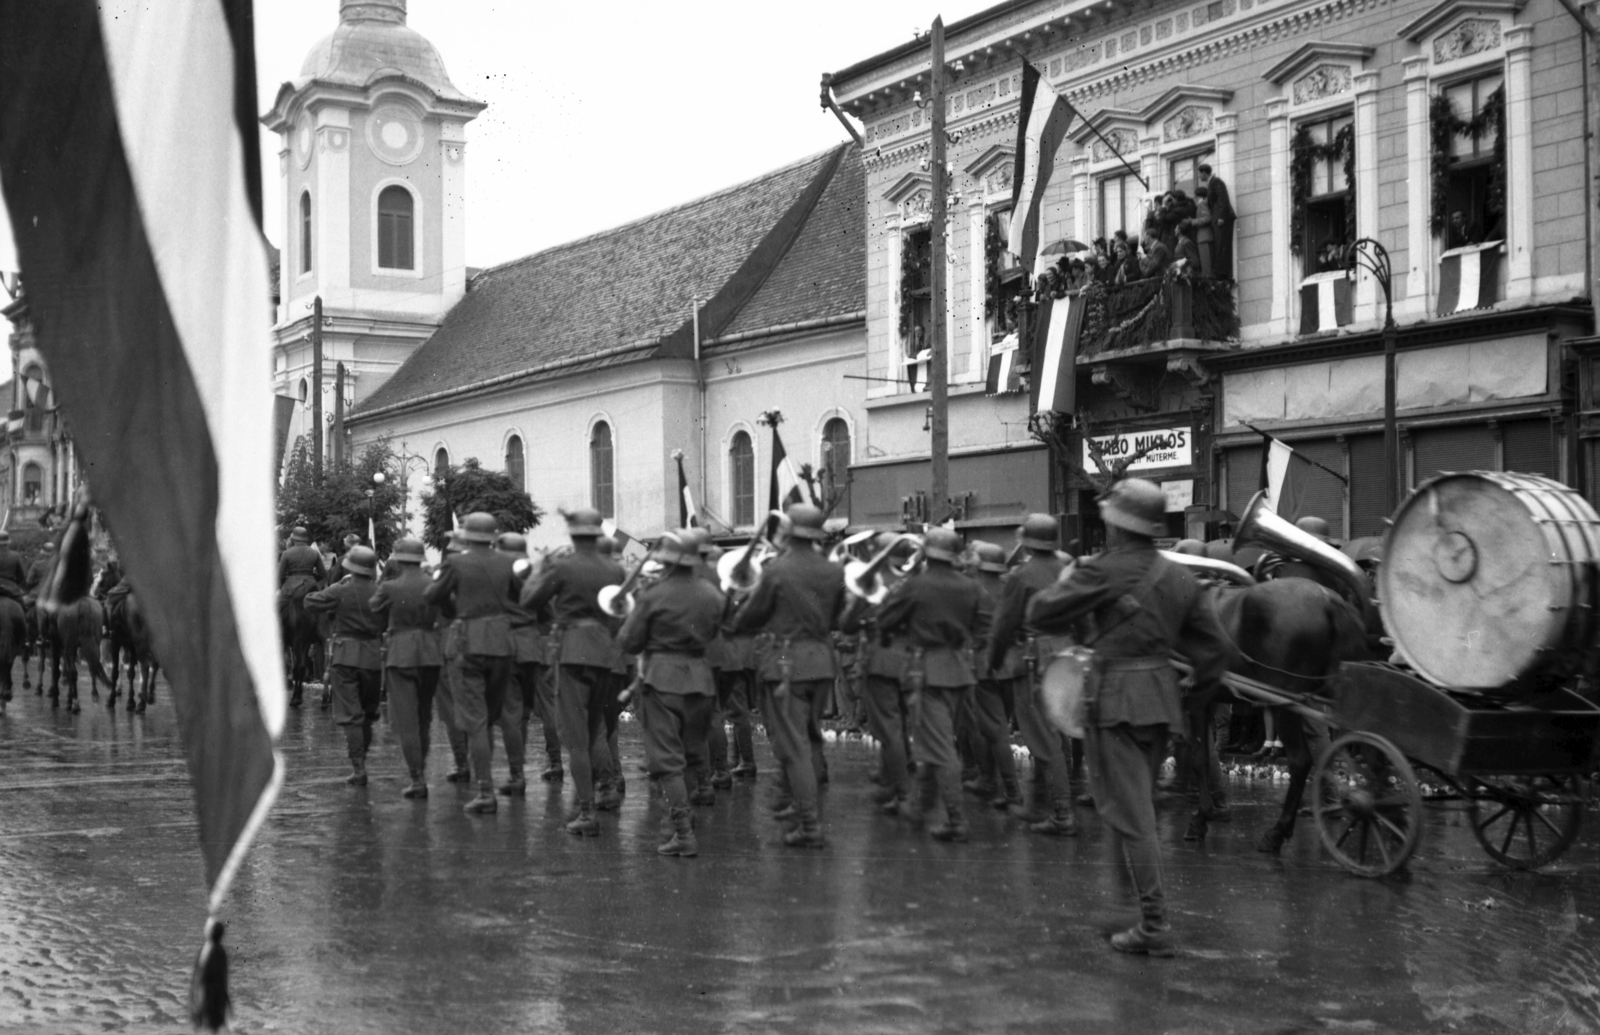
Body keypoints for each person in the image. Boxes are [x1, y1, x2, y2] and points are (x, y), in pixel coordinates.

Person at [1027, 478, 1233, 956]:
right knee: (1129, 805)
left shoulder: (1100, 570)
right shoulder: (1180, 577)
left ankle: (1154, 924)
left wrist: (1069, 580)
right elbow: (1216, 650)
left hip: (1115, 702)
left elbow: (1040, 611)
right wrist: (1193, 695)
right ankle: (1126, 905)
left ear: (1116, 524)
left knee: (1134, 815)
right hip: (1160, 702)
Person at [731, 503, 846, 848]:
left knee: (793, 744)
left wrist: (739, 619)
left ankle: (809, 824)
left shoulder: (778, 571)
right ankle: (796, 805)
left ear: (789, 532)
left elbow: (752, 616)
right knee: (808, 738)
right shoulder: (834, 571)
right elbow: (838, 617)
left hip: (785, 661)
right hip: (822, 661)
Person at [616, 531, 725, 857]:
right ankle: (684, 822)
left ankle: (682, 831)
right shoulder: (712, 594)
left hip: (662, 679)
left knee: (667, 760)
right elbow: (715, 631)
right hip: (701, 679)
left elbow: (629, 642)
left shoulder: (653, 595)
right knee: (692, 755)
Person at [874, 528, 986, 842]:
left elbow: (885, 621)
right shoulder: (971, 587)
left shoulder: (915, 586)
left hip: (926, 671)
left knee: (940, 746)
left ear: (928, 553)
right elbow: (983, 629)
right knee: (935, 739)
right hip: (959, 669)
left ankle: (956, 820)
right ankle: (920, 805)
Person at [521, 508, 625, 836]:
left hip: (571, 651)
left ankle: (587, 811)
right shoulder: (615, 569)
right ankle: (604, 787)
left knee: (576, 736)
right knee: (596, 729)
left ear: (573, 534)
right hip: (605, 653)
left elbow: (528, 600)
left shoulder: (561, 566)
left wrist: (540, 568)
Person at [425, 512, 521, 816]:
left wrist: (456, 610)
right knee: (490, 718)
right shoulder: (508, 562)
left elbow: (431, 595)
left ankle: (485, 791)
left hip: (466, 641)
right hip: (502, 643)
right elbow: (522, 599)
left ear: (466, 535)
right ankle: (496, 781)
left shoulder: (454, 563)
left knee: (475, 721)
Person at [986, 514, 1077, 836]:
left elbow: (1003, 626)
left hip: (1035, 657)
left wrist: (992, 661)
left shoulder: (1021, 576)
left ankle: (1062, 813)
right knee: (1059, 731)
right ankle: (1041, 802)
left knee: (1041, 736)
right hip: (1069, 653)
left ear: (1027, 540)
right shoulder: (1069, 568)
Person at [840, 531, 917, 815]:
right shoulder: (913, 581)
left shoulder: (872, 580)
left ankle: (902, 793)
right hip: (911, 660)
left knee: (888, 730)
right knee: (901, 723)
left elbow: (847, 624)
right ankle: (891, 779)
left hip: (881, 660)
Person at [305, 545, 385, 786]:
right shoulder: (380, 590)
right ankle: (362, 759)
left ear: (350, 567)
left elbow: (310, 602)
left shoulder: (342, 589)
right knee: (368, 715)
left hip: (345, 657)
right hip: (372, 657)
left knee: (351, 716)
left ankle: (358, 767)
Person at [368, 537, 442, 799]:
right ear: (421, 559)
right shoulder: (434, 583)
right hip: (431, 651)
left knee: (406, 721)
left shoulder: (389, 587)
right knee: (424, 717)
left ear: (398, 559)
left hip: (401, 652)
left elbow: (373, 607)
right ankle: (420, 771)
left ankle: (417, 778)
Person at [968, 542, 1024, 809]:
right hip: (1012, 664)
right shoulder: (1011, 587)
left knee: (993, 730)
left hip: (984, 665)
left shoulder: (973, 590)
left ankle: (1009, 789)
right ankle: (989, 780)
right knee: (998, 727)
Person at [494, 532, 542, 798]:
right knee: (522, 713)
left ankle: (517, 774)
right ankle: (519, 770)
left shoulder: (496, 574)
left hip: (506, 644)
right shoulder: (536, 575)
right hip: (532, 646)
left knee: (510, 714)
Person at [1196, 164, 1234, 279]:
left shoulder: (1216, 181)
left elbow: (1224, 199)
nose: (1199, 176)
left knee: (1222, 244)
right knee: (1220, 245)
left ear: (1204, 173)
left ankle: (1222, 272)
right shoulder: (1211, 183)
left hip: (1221, 219)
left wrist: (1221, 217)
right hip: (1217, 219)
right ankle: (1220, 270)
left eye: (1200, 173)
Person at [0, 530, 29, 605]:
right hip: (11, 588)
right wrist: (25, 589)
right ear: (7, 542)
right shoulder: (15, 555)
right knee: (22, 607)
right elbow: (21, 576)